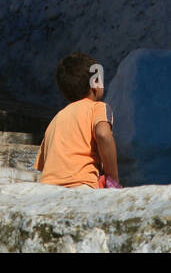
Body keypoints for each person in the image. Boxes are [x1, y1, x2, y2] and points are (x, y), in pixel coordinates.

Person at [34, 52, 121, 188]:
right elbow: (103, 134)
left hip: (47, 191)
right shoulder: (97, 107)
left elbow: (44, 165)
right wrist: (113, 180)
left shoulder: (56, 120)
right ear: (95, 83)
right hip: (81, 187)